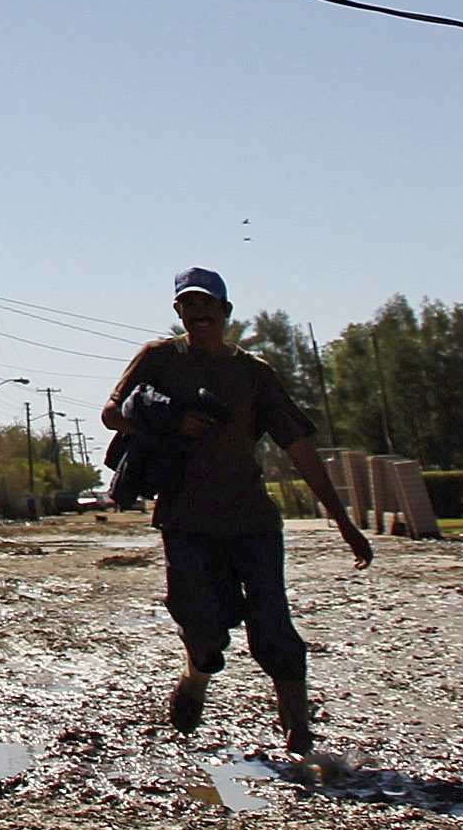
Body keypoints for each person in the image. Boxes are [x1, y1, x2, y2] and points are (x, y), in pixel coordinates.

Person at [102, 267, 371, 754]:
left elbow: (300, 445)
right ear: (178, 311)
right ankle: (196, 677)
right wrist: (165, 417)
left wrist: (343, 520)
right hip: (185, 522)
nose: (200, 313)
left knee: (274, 628)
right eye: (189, 305)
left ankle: (299, 735)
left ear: (225, 312)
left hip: (251, 522)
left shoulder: (254, 374)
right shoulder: (158, 359)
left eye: (209, 305)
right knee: (203, 629)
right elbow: (111, 413)